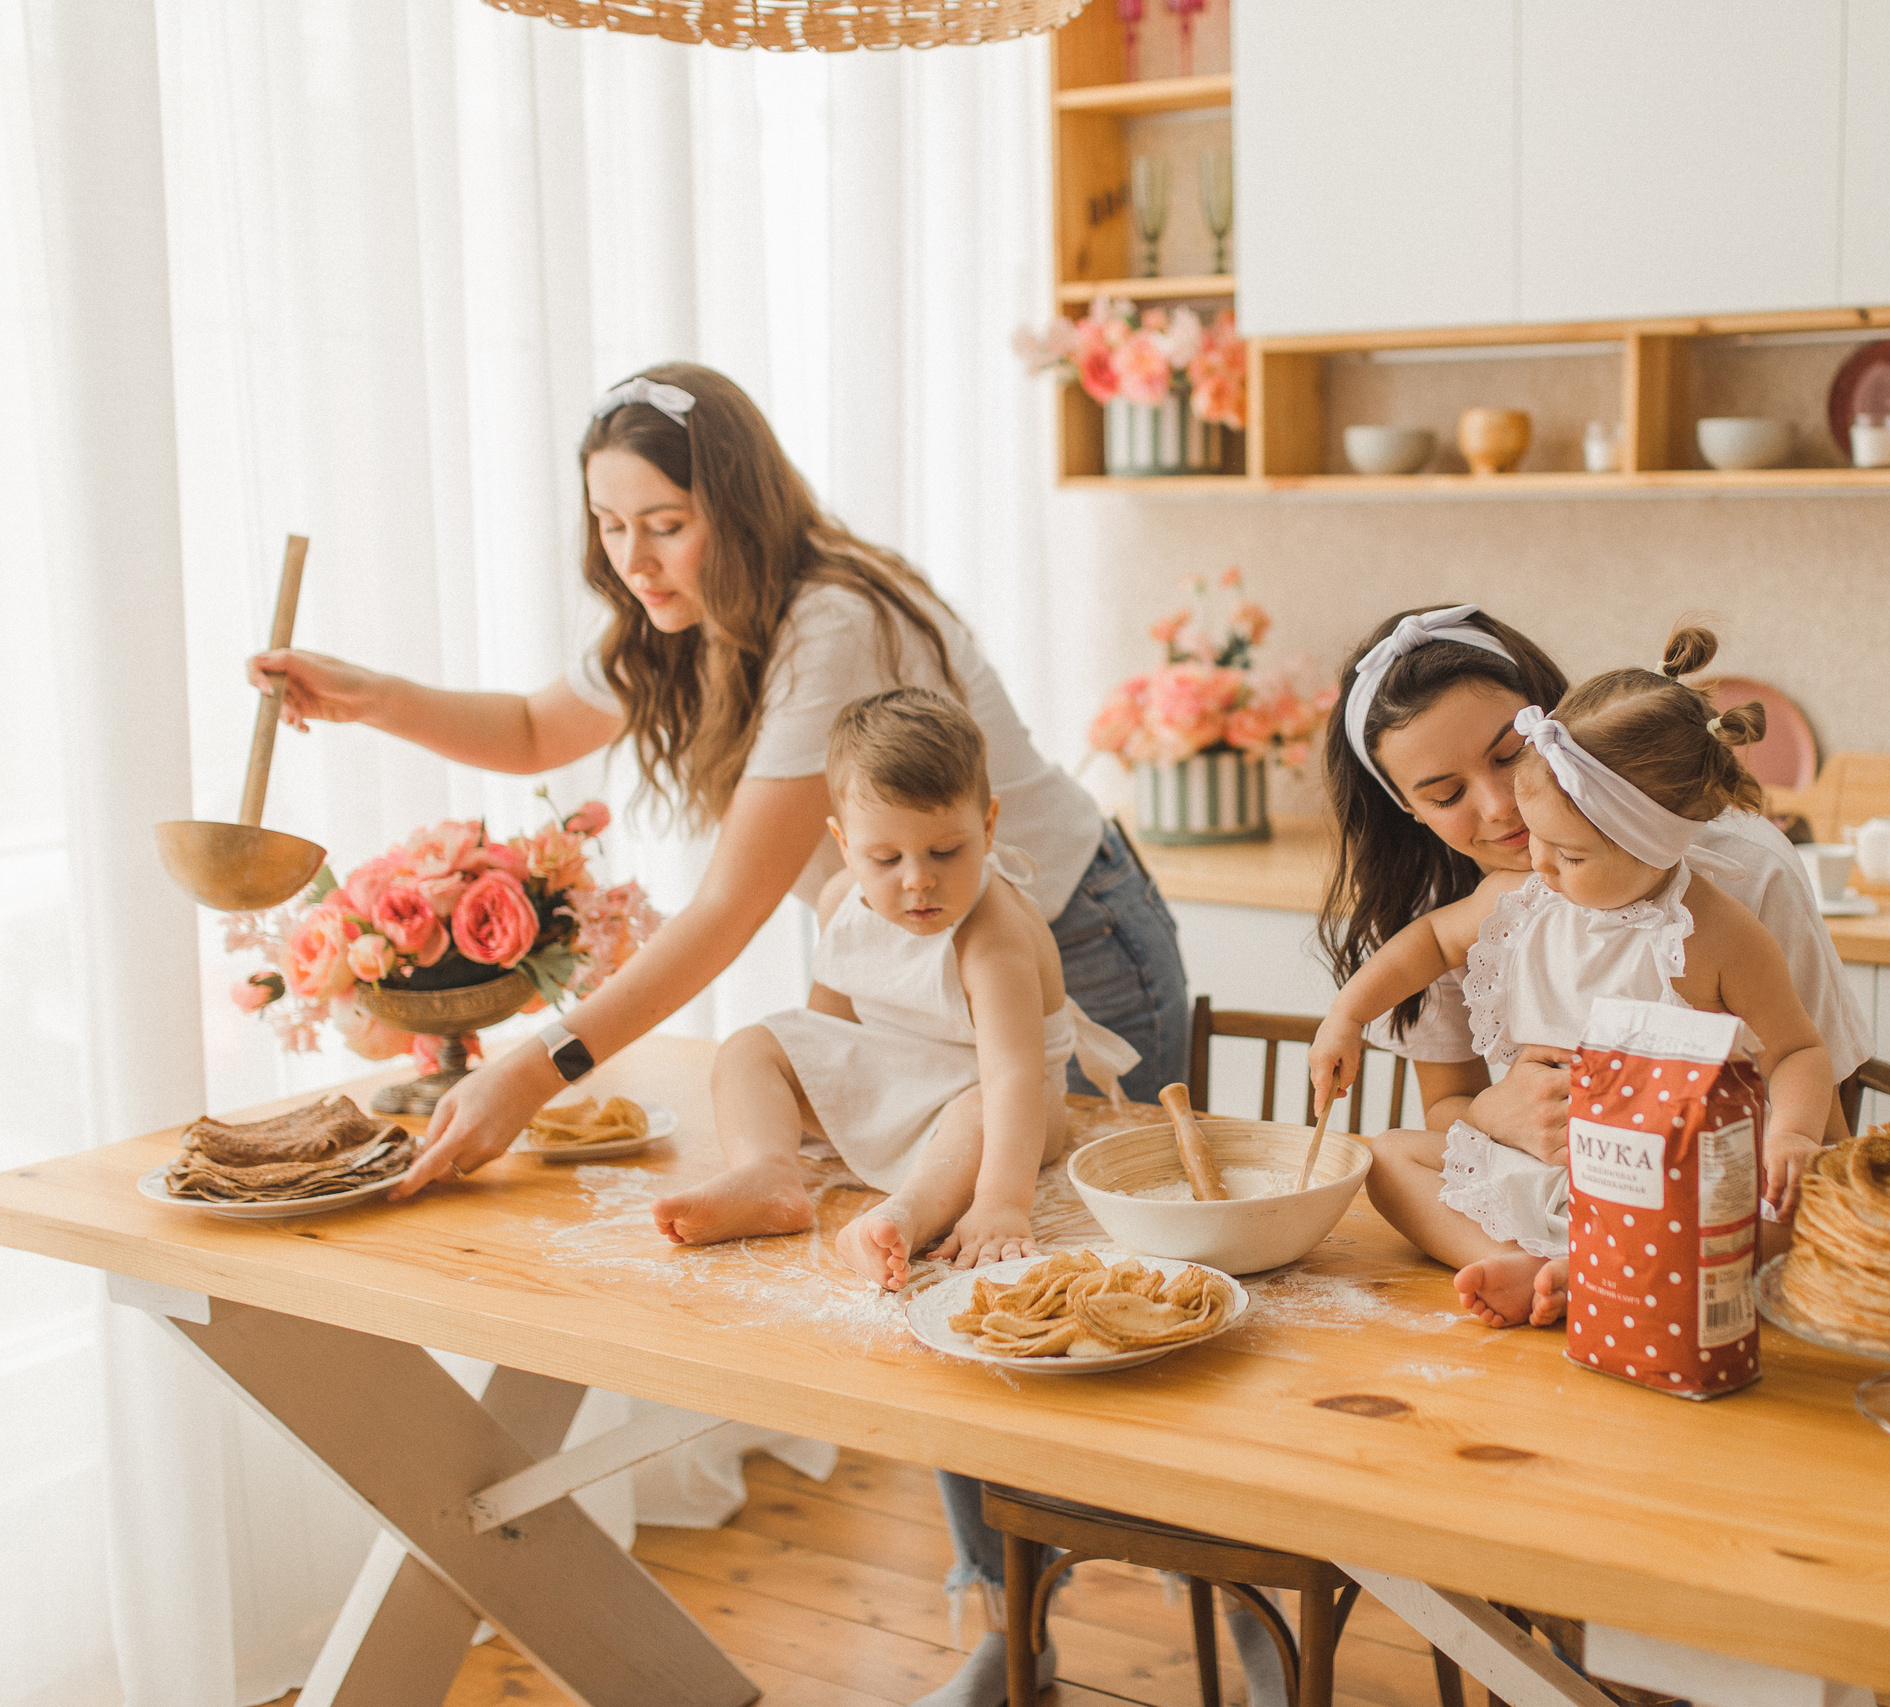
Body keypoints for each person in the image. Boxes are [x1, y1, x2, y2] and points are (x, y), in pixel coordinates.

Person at [250, 362, 1188, 1707]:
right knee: (948, 1286)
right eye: (610, 525)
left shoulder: (828, 623)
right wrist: (367, 692)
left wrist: (538, 1061)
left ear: (735, 510)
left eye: (664, 522)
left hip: (1061, 946)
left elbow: (736, 902)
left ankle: (1238, 1607)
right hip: (899, 964)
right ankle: (1008, 1632)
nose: (633, 557)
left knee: (1114, 1305)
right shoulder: (675, 622)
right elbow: (530, 726)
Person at [1310, 629, 1835, 1328]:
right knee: (1386, 1159)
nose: (1535, 857)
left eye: (1568, 852)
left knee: (1793, 1219)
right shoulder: (1522, 896)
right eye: (1444, 791)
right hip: (1551, 1165)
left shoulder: (1719, 932)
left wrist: (1792, 1136)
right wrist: (1345, 1016)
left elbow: (1797, 1051)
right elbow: (1430, 941)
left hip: (1675, 1181)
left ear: (1649, 840)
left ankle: (1597, 1273)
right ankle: (1541, 1268)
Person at [653, 688, 1139, 1281]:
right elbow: (825, 1029)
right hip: (900, 1077)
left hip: (995, 1100)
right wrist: (817, 1094)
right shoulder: (839, 901)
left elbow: (1013, 1078)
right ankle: (767, 1172)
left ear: (987, 828)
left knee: (978, 1112)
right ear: (844, 846)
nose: (917, 881)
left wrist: (1001, 1206)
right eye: (885, 859)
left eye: (944, 851)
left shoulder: (993, 939)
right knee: (750, 1047)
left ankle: (906, 1214)